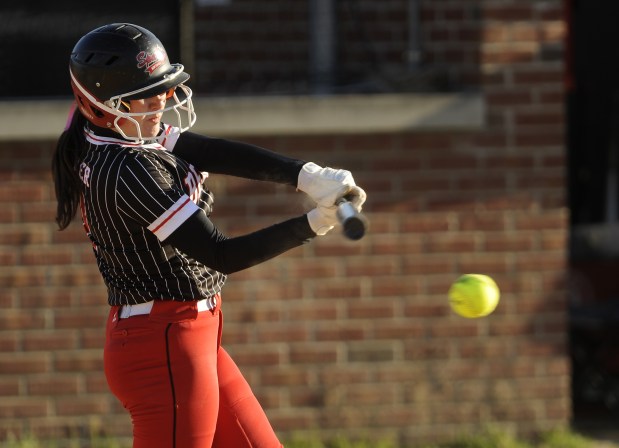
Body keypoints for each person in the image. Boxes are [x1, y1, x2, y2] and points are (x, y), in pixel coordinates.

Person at [51, 23, 366, 448]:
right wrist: (314, 223)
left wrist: (307, 176)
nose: (162, 99)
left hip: (187, 336)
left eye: (161, 88)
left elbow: (211, 151)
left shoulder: (123, 133)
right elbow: (222, 254)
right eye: (147, 93)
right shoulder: (128, 168)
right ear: (104, 106)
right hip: (162, 344)